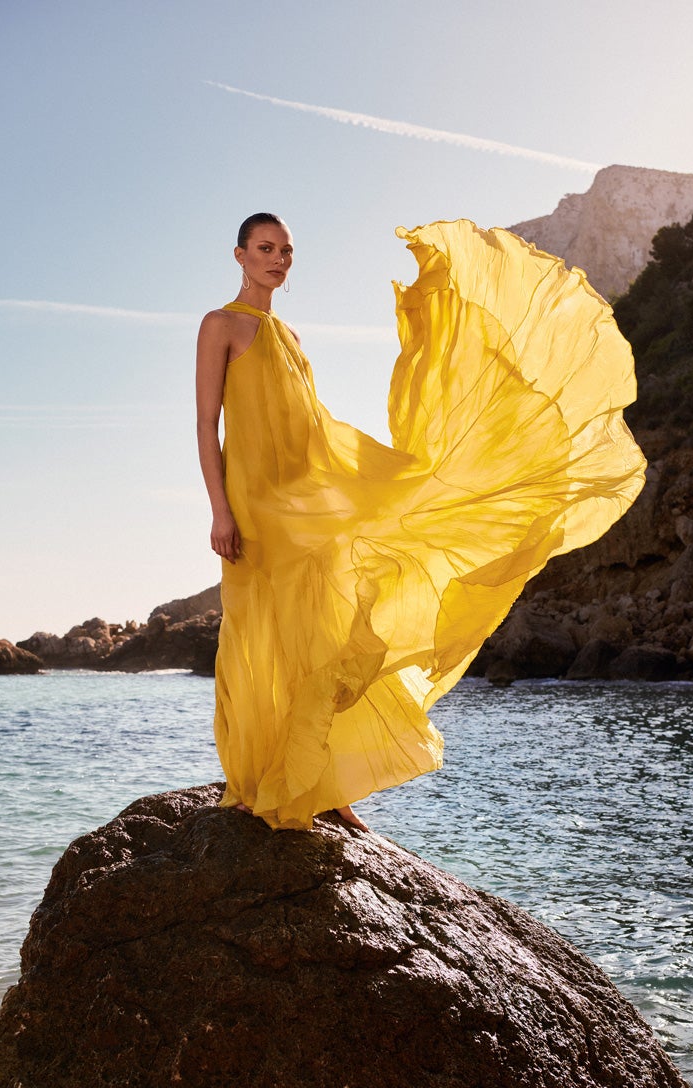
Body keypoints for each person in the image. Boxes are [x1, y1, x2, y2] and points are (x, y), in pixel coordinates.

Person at [196, 212, 646, 832]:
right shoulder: (219, 325)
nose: (278, 260)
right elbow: (205, 426)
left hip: (307, 502)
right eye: (266, 249)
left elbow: (308, 427)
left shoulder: (293, 337)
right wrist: (220, 509)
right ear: (240, 254)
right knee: (256, 636)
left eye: (287, 251)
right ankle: (255, 778)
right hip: (253, 508)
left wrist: (364, 483)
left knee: (322, 631)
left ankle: (320, 781)